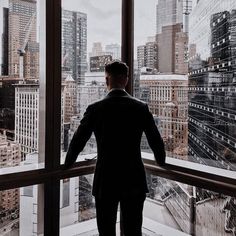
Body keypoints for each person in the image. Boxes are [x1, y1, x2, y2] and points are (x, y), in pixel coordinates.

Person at [64, 60, 166, 236]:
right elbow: (156, 142)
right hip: (134, 178)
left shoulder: (95, 109)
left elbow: (77, 142)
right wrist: (161, 161)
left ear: (106, 80)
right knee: (133, 230)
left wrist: (67, 164)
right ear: (126, 80)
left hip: (106, 179)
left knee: (106, 231)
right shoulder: (140, 108)